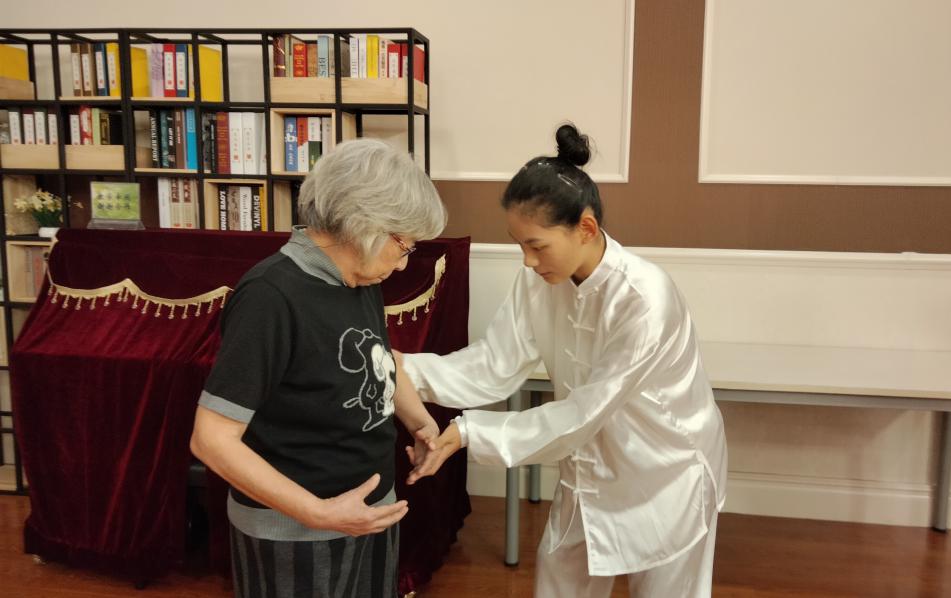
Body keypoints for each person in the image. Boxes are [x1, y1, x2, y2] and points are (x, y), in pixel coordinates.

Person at [396, 123, 728, 597]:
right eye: (519, 245)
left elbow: (582, 413)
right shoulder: (539, 279)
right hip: (586, 465)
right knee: (560, 581)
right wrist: (401, 369)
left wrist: (467, 432)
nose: (527, 261)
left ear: (586, 229)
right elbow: (494, 363)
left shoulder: (645, 300)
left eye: (536, 245)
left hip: (666, 472)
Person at [190, 138, 447, 598]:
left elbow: (381, 360)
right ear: (365, 225)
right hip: (295, 532)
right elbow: (211, 439)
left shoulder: (359, 279)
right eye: (404, 246)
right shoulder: (270, 296)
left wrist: (420, 423)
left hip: (368, 514)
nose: (403, 264)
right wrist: (318, 513)